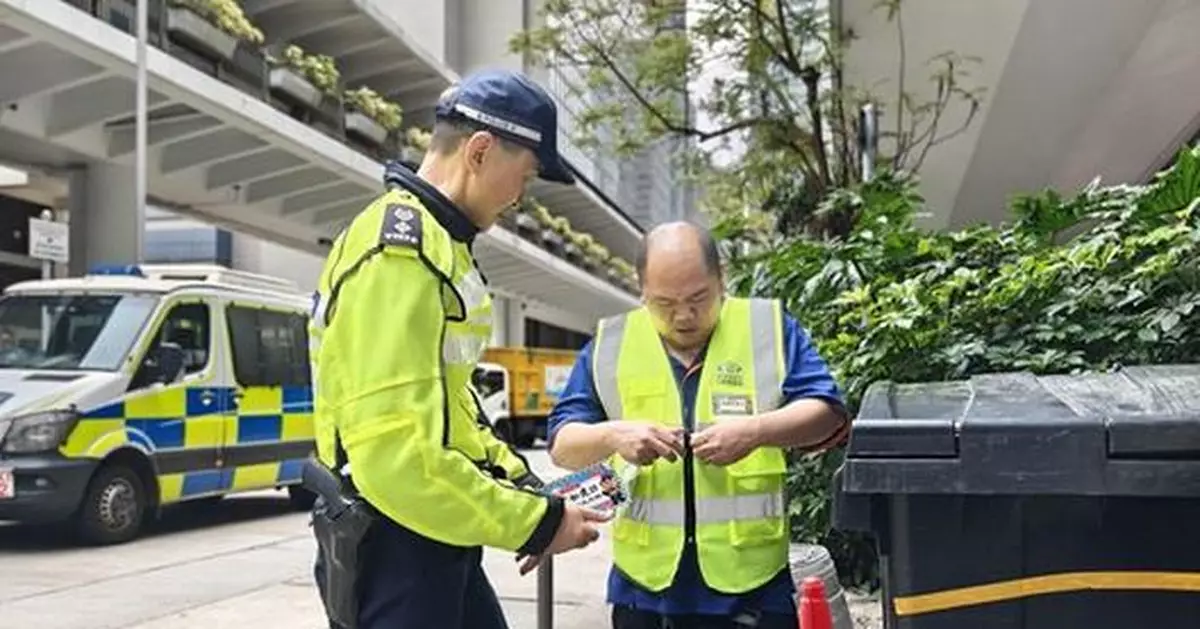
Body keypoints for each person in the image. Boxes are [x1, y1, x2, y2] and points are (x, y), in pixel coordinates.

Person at [307, 68, 609, 629]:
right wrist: (536, 524)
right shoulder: (401, 250)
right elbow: (398, 457)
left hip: (428, 534)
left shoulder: (439, 245)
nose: (520, 197)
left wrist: (527, 490)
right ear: (479, 151)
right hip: (396, 544)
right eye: (524, 175)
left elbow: (452, 408)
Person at [547, 222, 850, 629]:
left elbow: (827, 412)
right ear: (642, 291)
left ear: (721, 278)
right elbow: (563, 445)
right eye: (664, 303)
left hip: (753, 589)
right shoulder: (611, 344)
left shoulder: (767, 328)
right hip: (645, 594)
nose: (684, 316)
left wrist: (755, 432)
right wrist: (615, 435)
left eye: (698, 298)